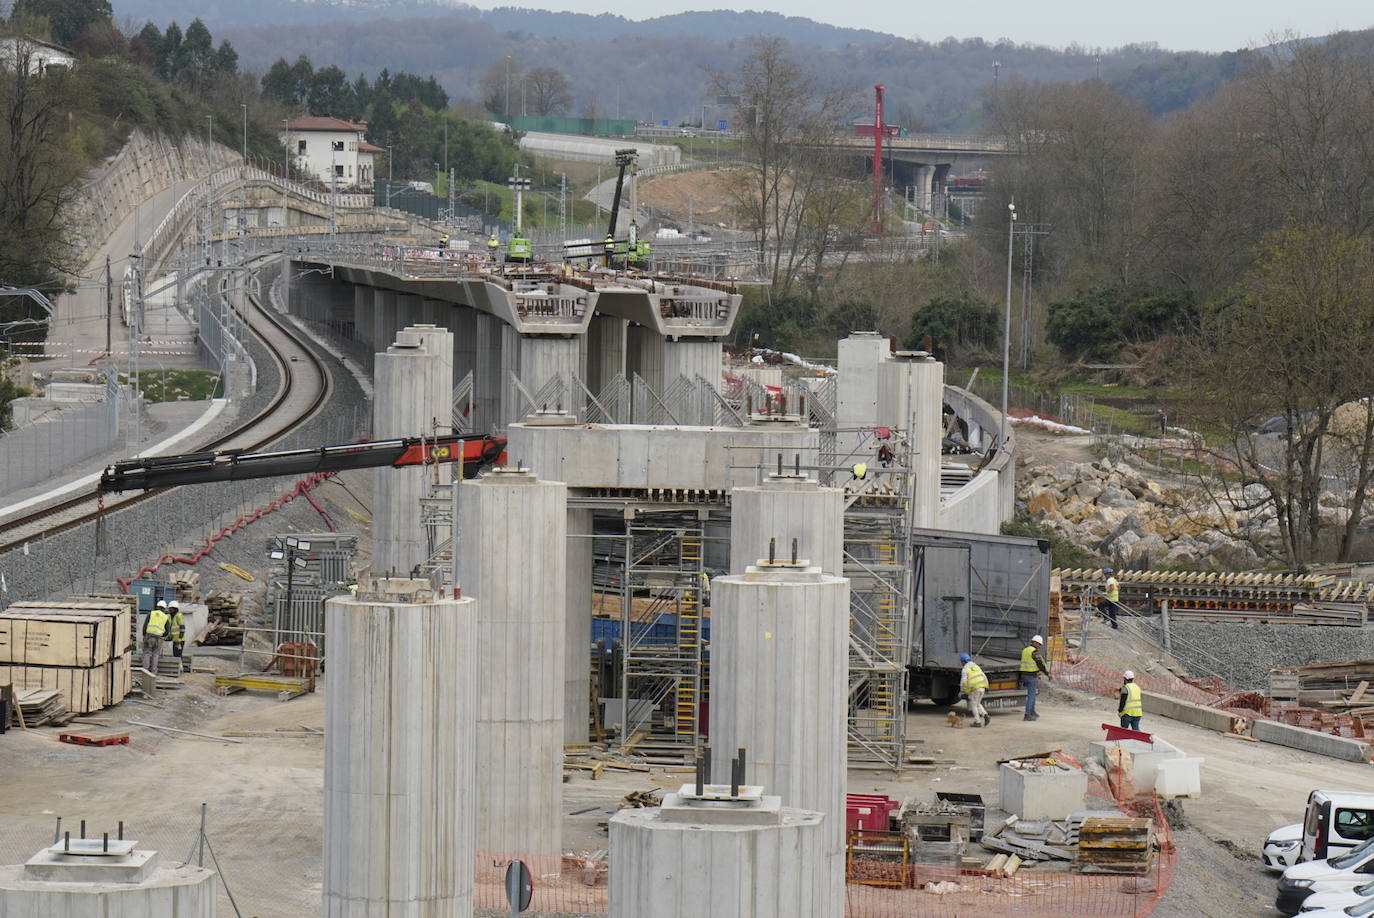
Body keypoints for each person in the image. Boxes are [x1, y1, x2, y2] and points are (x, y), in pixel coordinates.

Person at [1020, 634, 1051, 721]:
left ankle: (1032, 712)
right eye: (1039, 644)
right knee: (1031, 696)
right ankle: (1027, 715)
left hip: (1024, 675)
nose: (1040, 646)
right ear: (1035, 643)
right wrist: (1047, 673)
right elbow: (1040, 664)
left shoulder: (1025, 650)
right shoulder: (1034, 652)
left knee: (1032, 695)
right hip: (1031, 676)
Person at [959, 652, 989, 727]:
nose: (961, 663)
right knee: (978, 703)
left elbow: (963, 682)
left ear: (963, 661)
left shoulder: (965, 669)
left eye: (961, 662)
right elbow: (984, 676)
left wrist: (963, 691)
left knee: (973, 705)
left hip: (975, 689)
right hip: (982, 687)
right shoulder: (976, 666)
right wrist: (986, 686)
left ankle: (977, 722)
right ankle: (985, 715)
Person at [143, 600, 169, 673]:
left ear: (157, 606)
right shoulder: (165, 617)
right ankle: (153, 672)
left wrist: (144, 635)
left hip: (149, 636)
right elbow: (167, 630)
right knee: (155, 654)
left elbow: (145, 626)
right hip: (159, 638)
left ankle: (145, 671)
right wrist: (163, 636)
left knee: (147, 653)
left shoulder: (151, 613)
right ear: (164, 608)